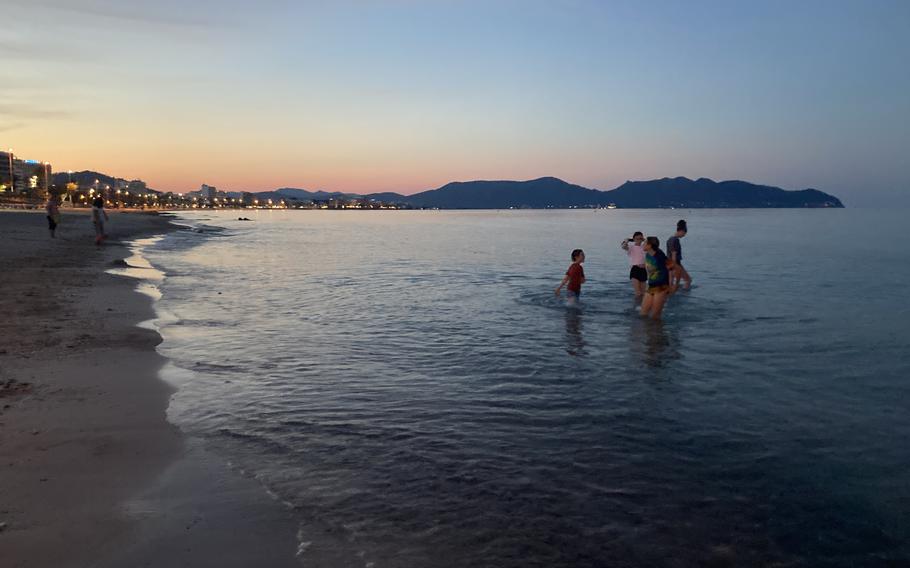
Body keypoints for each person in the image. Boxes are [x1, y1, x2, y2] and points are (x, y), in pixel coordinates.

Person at [640, 237, 670, 320]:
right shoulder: (648, 254)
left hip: (661, 286)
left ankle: (658, 332)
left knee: (655, 316)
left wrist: (670, 286)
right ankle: (647, 332)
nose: (643, 244)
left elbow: (671, 267)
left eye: (645, 243)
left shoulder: (659, 256)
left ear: (649, 245)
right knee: (643, 314)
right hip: (651, 285)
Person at [667, 219, 691, 291]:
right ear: (681, 231)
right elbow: (674, 254)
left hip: (669, 263)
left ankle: (670, 295)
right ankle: (685, 296)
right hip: (675, 263)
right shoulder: (675, 240)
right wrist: (675, 266)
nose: (684, 235)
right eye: (684, 233)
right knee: (688, 280)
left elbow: (669, 253)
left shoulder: (670, 239)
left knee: (670, 283)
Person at [620, 231, 646, 297]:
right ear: (634, 239)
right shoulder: (631, 247)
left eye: (640, 238)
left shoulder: (645, 247)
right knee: (638, 293)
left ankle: (642, 306)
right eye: (637, 239)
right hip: (635, 269)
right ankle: (636, 307)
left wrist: (644, 240)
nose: (639, 240)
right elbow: (623, 246)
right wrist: (627, 240)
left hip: (644, 270)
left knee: (644, 293)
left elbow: (653, 244)